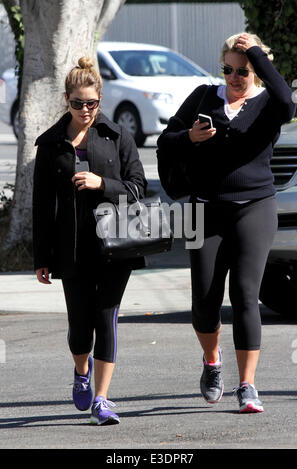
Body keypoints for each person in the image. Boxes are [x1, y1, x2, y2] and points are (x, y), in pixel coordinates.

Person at [157, 32, 295, 413]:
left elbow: (287, 99)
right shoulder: (204, 96)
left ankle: (248, 385)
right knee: (204, 299)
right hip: (204, 208)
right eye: (228, 70)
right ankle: (212, 360)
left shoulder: (269, 102)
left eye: (243, 71)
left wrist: (254, 50)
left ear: (257, 72)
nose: (234, 78)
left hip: (255, 207)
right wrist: (189, 137)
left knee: (246, 296)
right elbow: (166, 141)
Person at [32, 56, 147, 425]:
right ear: (66, 100)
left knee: (106, 318)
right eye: (77, 103)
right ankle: (81, 371)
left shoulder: (117, 136)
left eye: (91, 103)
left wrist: (103, 184)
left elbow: (138, 187)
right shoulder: (50, 144)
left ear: (101, 100)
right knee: (80, 327)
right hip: (72, 251)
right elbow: (40, 206)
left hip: (115, 249)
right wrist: (42, 256)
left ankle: (102, 399)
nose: (85, 110)